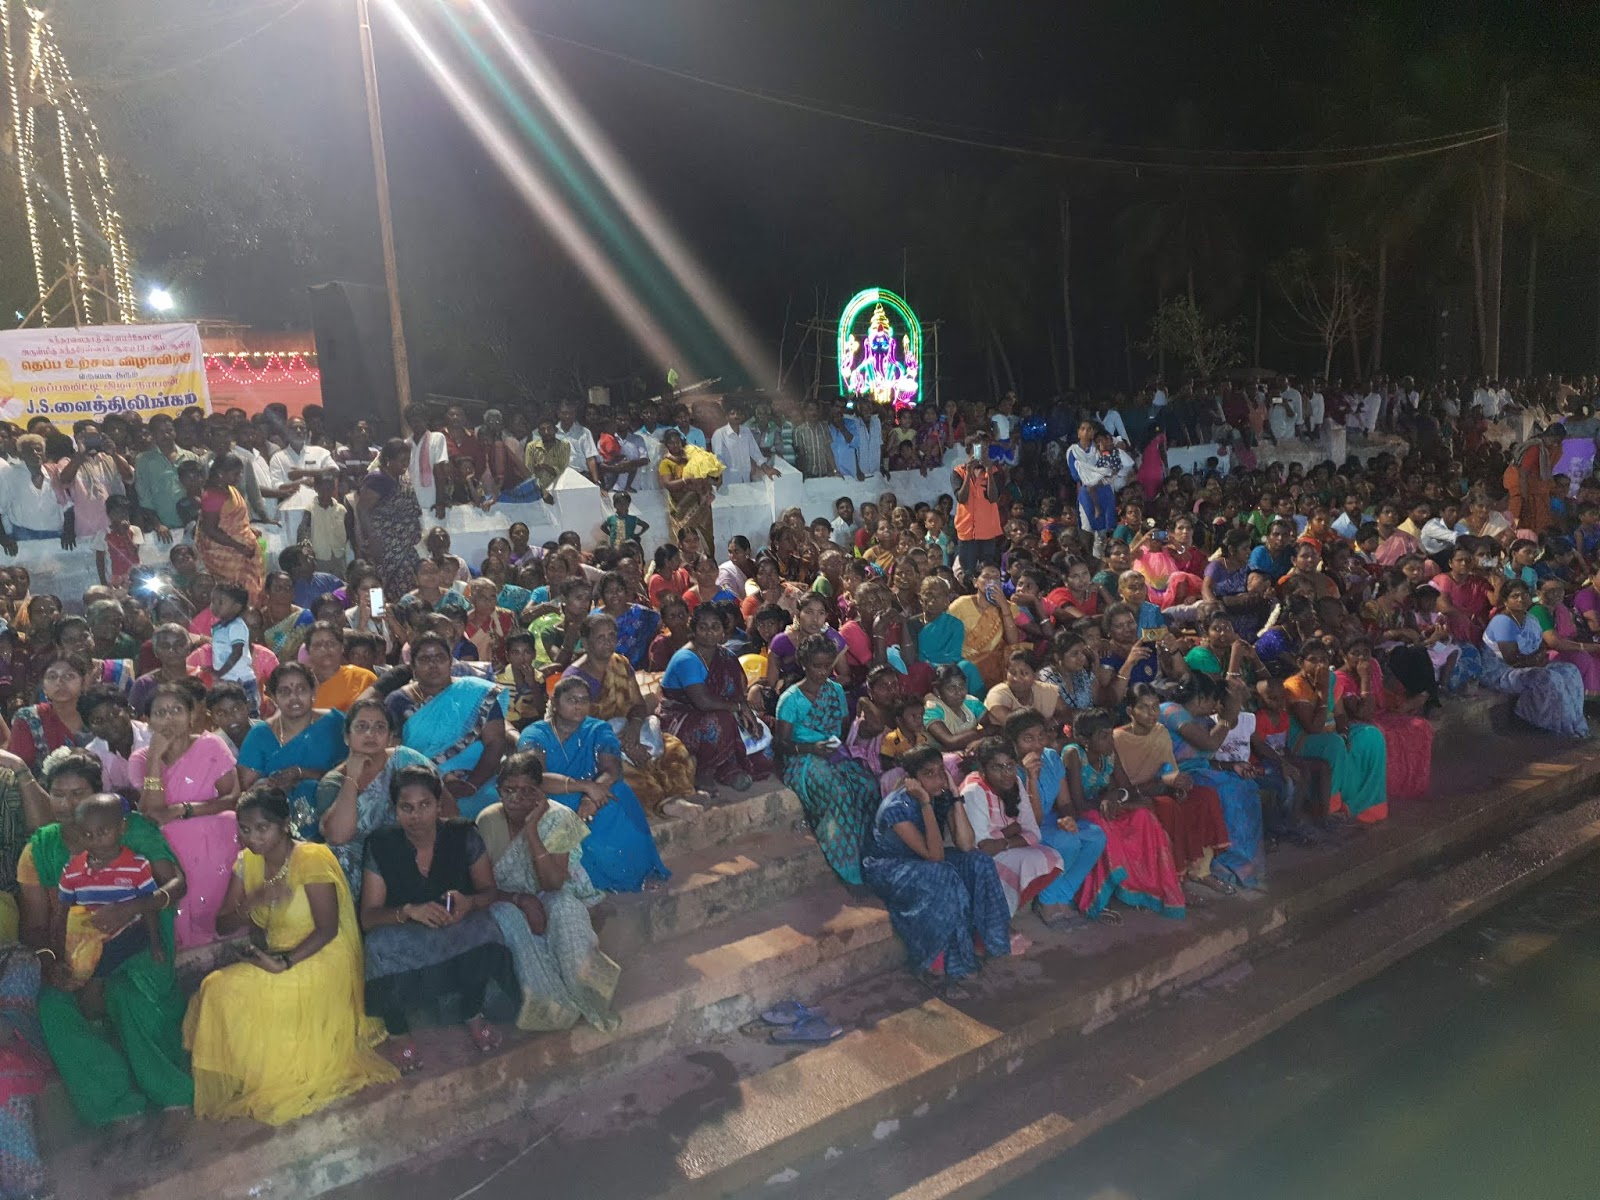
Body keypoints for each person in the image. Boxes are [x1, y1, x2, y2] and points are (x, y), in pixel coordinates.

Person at [183, 785, 397, 1123]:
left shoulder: (311, 858)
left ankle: (272, 1071)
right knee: (214, 987)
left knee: (227, 989)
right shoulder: (247, 863)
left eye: (262, 828)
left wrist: (284, 963)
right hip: (277, 953)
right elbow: (223, 925)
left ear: (284, 825)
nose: (253, 838)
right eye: (245, 829)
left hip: (319, 955)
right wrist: (252, 901)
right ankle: (255, 1070)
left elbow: (327, 929)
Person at [18, 751, 192, 1151]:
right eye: (58, 794)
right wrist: (51, 961)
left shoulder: (131, 830)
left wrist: (133, 907)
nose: (67, 804)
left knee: (128, 993)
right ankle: (117, 1107)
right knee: (53, 1006)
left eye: (78, 793)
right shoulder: (40, 849)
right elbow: (36, 924)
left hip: (138, 940)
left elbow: (177, 884)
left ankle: (174, 1098)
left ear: (98, 794)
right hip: (76, 951)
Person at [360, 764, 515, 1071]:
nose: (416, 816)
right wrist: (407, 911)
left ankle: (472, 1011)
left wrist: (469, 903)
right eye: (406, 808)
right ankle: (398, 1030)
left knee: (486, 928)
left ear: (439, 805)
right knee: (378, 946)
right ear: (395, 810)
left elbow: (489, 891)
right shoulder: (381, 843)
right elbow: (368, 917)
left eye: (424, 805)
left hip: (453, 925)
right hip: (406, 930)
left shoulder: (463, 834)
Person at [476, 753, 621, 1032]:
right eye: (509, 790)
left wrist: (532, 831)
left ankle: (587, 993)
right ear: (498, 790)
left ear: (540, 791)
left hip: (549, 891)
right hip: (505, 899)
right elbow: (484, 887)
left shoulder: (558, 817)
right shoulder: (488, 821)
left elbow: (553, 883)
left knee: (565, 908)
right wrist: (520, 900)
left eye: (527, 791)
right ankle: (548, 1003)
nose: (516, 798)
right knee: (507, 917)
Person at [861, 745, 1011, 993]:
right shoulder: (896, 807)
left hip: (922, 861)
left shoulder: (941, 796)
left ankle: (983, 945)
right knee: (942, 875)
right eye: (928, 773)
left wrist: (955, 796)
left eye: (941, 771)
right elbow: (935, 856)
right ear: (911, 779)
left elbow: (966, 844)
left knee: (979, 861)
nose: (938, 778)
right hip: (888, 868)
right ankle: (937, 965)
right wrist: (924, 803)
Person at [516, 678, 668, 893]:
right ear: (555, 703)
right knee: (563, 811)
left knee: (618, 794)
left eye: (584, 700)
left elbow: (612, 770)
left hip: (596, 791)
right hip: (552, 793)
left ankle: (633, 872)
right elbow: (535, 778)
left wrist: (591, 797)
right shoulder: (535, 734)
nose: (578, 705)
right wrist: (585, 787)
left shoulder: (598, 729)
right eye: (571, 700)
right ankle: (587, 879)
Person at [128, 683, 240, 949]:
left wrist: (183, 810)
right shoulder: (140, 759)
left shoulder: (211, 745)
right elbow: (153, 811)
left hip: (214, 836)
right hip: (171, 845)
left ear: (192, 715)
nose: (169, 718)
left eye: (177, 710)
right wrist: (154, 758)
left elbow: (232, 798)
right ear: (148, 721)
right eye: (160, 712)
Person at [563, 613, 705, 818]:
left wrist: (634, 729)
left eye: (611, 636)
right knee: (623, 774)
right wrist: (625, 745)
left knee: (673, 748)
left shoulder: (620, 663)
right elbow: (576, 730)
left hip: (629, 730)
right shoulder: (574, 679)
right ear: (585, 643)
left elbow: (638, 704)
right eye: (600, 637)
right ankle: (660, 804)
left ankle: (681, 795)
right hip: (594, 745)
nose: (608, 642)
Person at [774, 635, 882, 886]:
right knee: (838, 791)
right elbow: (781, 744)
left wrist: (831, 747)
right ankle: (846, 863)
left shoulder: (835, 691)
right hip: (801, 758)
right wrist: (811, 747)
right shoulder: (790, 699)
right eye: (816, 666)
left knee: (868, 786)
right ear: (804, 664)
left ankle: (869, 853)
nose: (822, 672)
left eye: (827, 666)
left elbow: (840, 729)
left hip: (832, 751)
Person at [1113, 685, 1233, 892]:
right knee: (1169, 808)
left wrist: (1178, 785)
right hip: (1135, 795)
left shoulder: (1160, 731)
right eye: (1144, 708)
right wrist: (1164, 785)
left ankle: (1201, 870)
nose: (1152, 713)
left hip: (1161, 788)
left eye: (1155, 707)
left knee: (1206, 796)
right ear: (1130, 711)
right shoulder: (1118, 738)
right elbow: (1121, 785)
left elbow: (1169, 768)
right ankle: (1177, 879)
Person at [1159, 674, 1267, 889]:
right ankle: (1227, 861)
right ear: (1201, 698)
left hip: (1201, 772)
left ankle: (1244, 859)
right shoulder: (1171, 710)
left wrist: (1232, 765)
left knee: (1246, 785)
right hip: (1173, 775)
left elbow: (1205, 759)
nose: (1215, 706)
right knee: (1228, 791)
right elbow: (1208, 744)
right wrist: (1228, 715)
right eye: (1213, 700)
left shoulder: (1203, 720)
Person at [386, 633, 511, 820]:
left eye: (440, 658)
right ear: (412, 666)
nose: (433, 664)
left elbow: (495, 742)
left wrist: (473, 785)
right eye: (425, 659)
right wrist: (440, 779)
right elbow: (394, 753)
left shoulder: (476, 693)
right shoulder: (398, 701)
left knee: (494, 809)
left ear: (451, 662)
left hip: (481, 781)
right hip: (421, 785)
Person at [659, 605, 773, 792]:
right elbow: (703, 702)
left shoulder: (726, 656)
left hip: (719, 711)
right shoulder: (686, 658)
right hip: (679, 717)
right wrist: (739, 708)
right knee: (721, 722)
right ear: (694, 630)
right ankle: (704, 772)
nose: (709, 633)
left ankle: (726, 768)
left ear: (723, 631)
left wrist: (747, 714)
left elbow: (737, 694)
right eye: (703, 627)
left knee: (762, 733)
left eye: (715, 627)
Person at [1283, 641, 1391, 823]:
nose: (1320, 665)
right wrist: (1323, 691)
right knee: (1334, 744)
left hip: (1332, 731)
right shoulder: (1294, 685)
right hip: (1303, 739)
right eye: (1313, 660)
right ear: (1301, 663)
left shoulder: (1331, 678)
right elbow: (1313, 727)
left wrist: (1345, 733)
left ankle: (1368, 803)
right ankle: (1332, 808)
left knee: (1372, 735)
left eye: (1324, 660)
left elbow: (1340, 714)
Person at [236, 663, 348, 836]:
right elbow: (247, 792)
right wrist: (270, 788)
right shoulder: (260, 735)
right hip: (278, 829)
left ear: (313, 691)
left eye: (301, 689)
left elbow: (354, 771)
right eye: (285, 691)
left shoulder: (335, 724)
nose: (294, 697)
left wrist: (303, 773)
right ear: (273, 697)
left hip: (335, 820)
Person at [959, 736, 1063, 920]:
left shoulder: (1014, 782)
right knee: (1030, 860)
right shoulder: (974, 789)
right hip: (971, 858)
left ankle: (1004, 916)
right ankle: (995, 919)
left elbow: (1033, 832)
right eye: (997, 768)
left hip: (1000, 847)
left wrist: (1003, 841)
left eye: (1010, 766)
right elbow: (981, 847)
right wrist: (1012, 829)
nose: (1006, 773)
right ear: (983, 769)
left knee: (1051, 858)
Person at [1482, 579, 1589, 739]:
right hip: (1502, 672)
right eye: (1515, 596)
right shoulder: (1502, 621)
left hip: (1529, 665)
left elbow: (1539, 647)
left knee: (1570, 671)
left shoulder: (1530, 619)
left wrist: (1539, 659)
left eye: (1524, 595)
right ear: (1505, 601)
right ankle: (1556, 728)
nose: (1521, 599)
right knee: (1548, 678)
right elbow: (1511, 659)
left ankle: (1576, 724)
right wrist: (1536, 660)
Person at [356, 438, 424, 599]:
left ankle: (405, 613)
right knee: (381, 586)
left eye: (408, 460)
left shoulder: (401, 478)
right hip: (385, 545)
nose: (406, 464)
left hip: (405, 545)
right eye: (402, 460)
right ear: (388, 460)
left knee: (412, 581)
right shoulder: (378, 479)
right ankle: (380, 613)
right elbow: (362, 509)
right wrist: (373, 538)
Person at [195, 454, 265, 601]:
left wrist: (247, 529)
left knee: (252, 589)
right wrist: (239, 546)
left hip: (240, 547)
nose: (239, 477)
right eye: (236, 474)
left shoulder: (229, 489)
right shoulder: (213, 495)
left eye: (240, 473)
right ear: (221, 473)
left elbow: (232, 520)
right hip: (224, 552)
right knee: (238, 592)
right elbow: (210, 529)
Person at [947, 564, 1022, 689]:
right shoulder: (961, 604)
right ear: (975, 582)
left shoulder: (1009, 607)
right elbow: (945, 633)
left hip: (993, 666)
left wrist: (1004, 606)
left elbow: (1013, 641)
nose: (991, 582)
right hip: (963, 663)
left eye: (996, 578)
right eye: (987, 577)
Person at [9, 656, 88, 773]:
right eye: (52, 677)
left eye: (69, 676)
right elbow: (18, 769)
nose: (60, 682)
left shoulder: (97, 715)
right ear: (43, 687)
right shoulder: (28, 718)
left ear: (84, 682)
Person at [307, 622, 378, 712]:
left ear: (342, 647)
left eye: (330, 644)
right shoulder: (302, 683)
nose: (324, 649)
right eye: (317, 645)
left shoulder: (364, 678)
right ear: (308, 650)